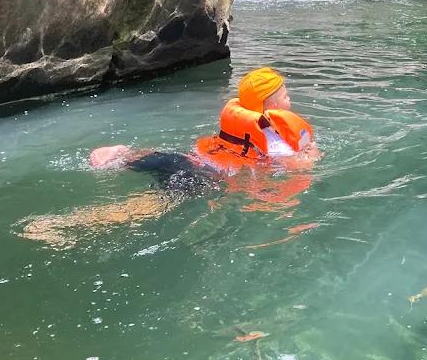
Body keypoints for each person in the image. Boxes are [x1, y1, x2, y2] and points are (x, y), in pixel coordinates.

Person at [20, 68, 319, 248]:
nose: (290, 101)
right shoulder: (276, 141)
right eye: (285, 97)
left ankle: (123, 154)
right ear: (270, 106)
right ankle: (69, 224)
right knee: (150, 206)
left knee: (153, 158)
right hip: (203, 177)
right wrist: (309, 153)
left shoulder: (238, 122)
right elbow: (292, 170)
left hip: (186, 158)